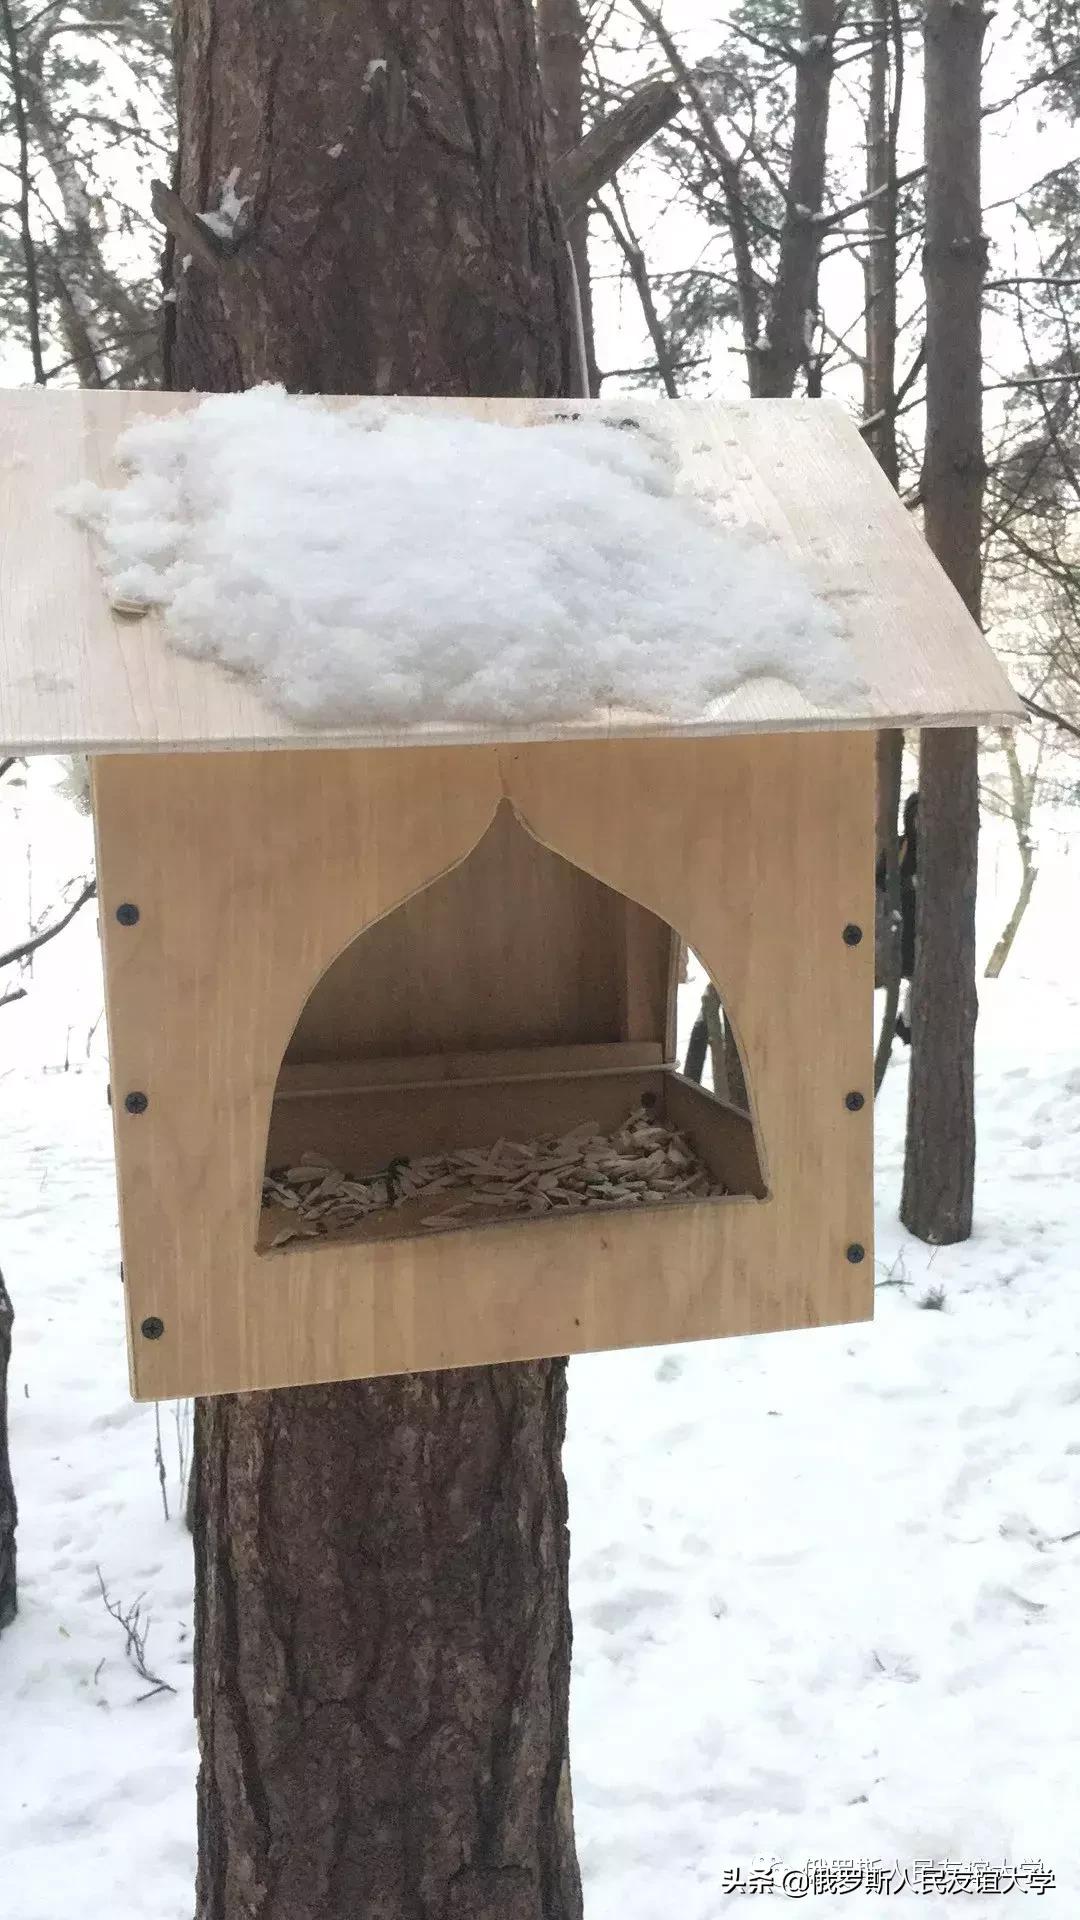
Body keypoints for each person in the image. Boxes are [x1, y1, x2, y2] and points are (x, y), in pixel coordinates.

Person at [876, 791, 918, 1045]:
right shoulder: (900, 847)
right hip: (903, 923)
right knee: (914, 975)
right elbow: (880, 880)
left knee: (920, 976)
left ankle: (907, 1025)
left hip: (927, 926)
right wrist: (908, 884)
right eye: (915, 816)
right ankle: (906, 1026)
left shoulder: (938, 849)